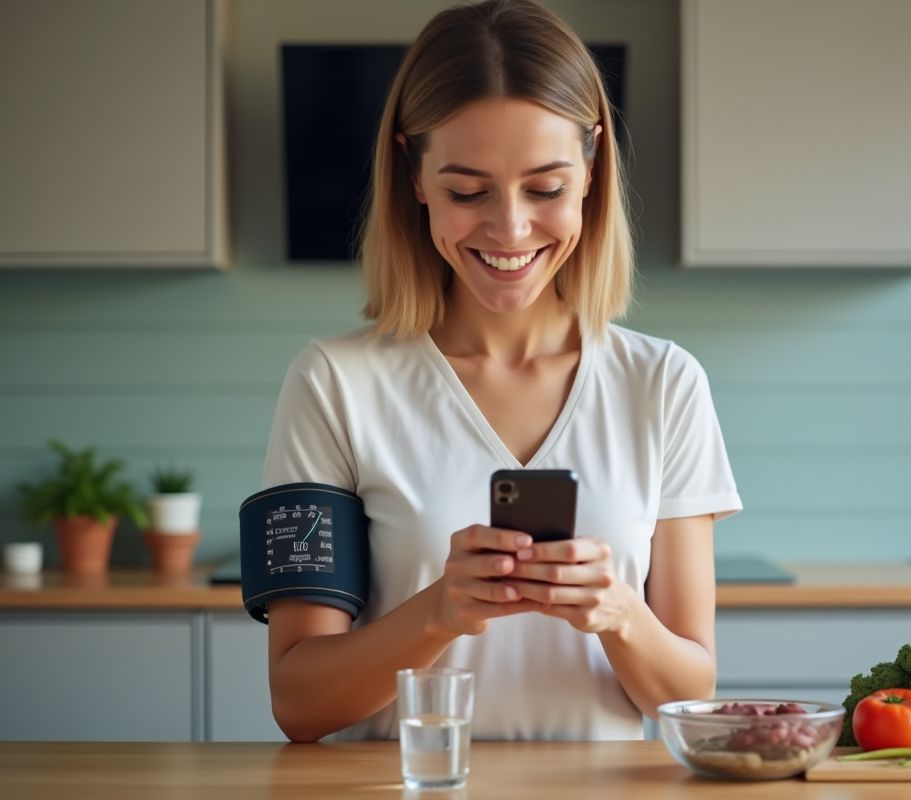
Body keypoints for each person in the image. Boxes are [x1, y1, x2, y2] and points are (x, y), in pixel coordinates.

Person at [262, 0, 741, 743]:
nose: (510, 228)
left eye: (545, 188)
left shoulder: (664, 384)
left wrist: (619, 611)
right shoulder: (333, 383)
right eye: (467, 191)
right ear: (414, 175)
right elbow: (299, 703)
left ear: (591, 168)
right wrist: (437, 613)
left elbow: (688, 694)